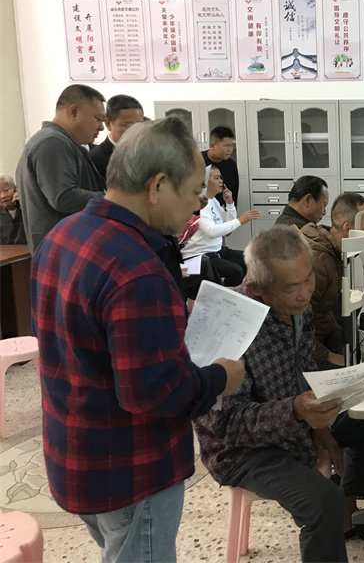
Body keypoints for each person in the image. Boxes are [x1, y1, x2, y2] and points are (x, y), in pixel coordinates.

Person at [30, 116, 245, 563]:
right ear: (158, 185)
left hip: (74, 449)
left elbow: (76, 338)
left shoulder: (62, 235)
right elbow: (154, 393)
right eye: (193, 192)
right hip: (130, 469)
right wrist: (219, 378)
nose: (198, 204)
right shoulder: (137, 268)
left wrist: (165, 319)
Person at [194, 226, 364, 562]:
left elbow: (303, 369)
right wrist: (295, 411)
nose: (305, 293)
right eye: (292, 287)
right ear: (256, 287)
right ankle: (335, 507)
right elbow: (227, 427)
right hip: (242, 451)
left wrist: (320, 430)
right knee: (323, 503)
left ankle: (349, 507)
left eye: (308, 279)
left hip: (296, 423)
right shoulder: (227, 325)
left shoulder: (297, 308)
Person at [15, 84, 106, 251]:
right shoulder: (52, 142)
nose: (101, 127)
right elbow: (64, 197)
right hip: (64, 252)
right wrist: (111, 198)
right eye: (98, 119)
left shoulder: (61, 142)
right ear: (74, 111)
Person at [301, 192, 364, 367]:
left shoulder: (333, 254)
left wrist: (340, 345)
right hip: (304, 354)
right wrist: (329, 356)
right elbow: (295, 328)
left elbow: (322, 312)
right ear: (347, 229)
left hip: (316, 343)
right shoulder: (318, 262)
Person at [180, 164, 259, 286]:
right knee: (235, 271)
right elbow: (211, 232)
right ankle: (225, 295)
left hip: (217, 250)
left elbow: (227, 231)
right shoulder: (200, 204)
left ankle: (242, 292)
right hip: (200, 254)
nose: (221, 181)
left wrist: (230, 204)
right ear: (205, 182)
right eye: (216, 178)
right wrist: (240, 220)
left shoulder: (213, 200)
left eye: (221, 177)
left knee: (250, 260)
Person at [88, 94, 145, 180]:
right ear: (108, 124)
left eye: (139, 126)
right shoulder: (94, 160)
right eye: (128, 126)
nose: (135, 131)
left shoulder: (145, 154)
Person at [203, 125, 240, 207]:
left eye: (231, 145)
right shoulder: (197, 161)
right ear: (213, 146)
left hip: (222, 211)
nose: (230, 150)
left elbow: (233, 194)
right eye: (226, 146)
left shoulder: (231, 165)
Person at [0, 174, 26, 245]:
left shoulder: (27, 207)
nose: (3, 196)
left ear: (15, 189)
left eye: (6, 190)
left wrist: (23, 205)